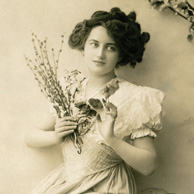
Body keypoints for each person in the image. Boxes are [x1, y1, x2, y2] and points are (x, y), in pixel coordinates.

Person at [26, 7, 164, 194]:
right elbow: (30, 136)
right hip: (70, 180)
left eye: (111, 47)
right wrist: (56, 135)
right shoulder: (69, 88)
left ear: (121, 55)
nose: (100, 54)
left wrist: (111, 139)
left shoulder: (135, 97)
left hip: (108, 185)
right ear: (83, 47)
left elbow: (149, 166)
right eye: (94, 44)